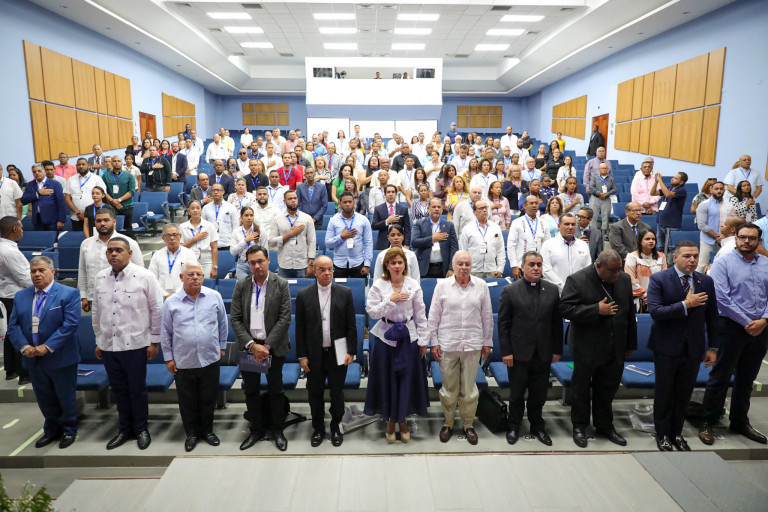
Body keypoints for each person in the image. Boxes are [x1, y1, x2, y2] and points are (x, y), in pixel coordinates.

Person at [559, 249, 637, 448]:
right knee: (581, 388)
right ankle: (579, 426)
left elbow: (629, 313)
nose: (617, 274)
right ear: (599, 266)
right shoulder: (577, 279)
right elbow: (565, 308)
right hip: (587, 345)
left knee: (607, 388)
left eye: (619, 269)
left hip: (615, 345)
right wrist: (596, 309)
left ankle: (604, 426)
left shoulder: (624, 279)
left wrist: (630, 343)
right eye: (612, 270)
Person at [700, 223, 768, 446]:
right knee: (720, 376)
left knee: (747, 378)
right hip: (731, 327)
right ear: (735, 238)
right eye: (743, 237)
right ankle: (708, 421)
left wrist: (764, 320)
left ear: (759, 241)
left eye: (752, 238)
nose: (747, 241)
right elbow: (722, 299)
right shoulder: (723, 263)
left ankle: (739, 421)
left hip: (761, 328)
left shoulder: (766, 263)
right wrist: (748, 322)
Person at [646, 241, 718, 451]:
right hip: (666, 347)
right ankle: (662, 434)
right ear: (675, 257)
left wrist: (713, 348)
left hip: (694, 348)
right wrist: (686, 304)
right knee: (665, 393)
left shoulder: (705, 281)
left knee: (684, 394)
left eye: (695, 256)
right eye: (687, 256)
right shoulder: (659, 279)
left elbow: (712, 317)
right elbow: (656, 312)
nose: (692, 260)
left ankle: (677, 434)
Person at [93, 238, 163, 451]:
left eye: (118, 250)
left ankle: (141, 429)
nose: (113, 254)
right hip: (109, 344)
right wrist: (98, 339)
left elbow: (157, 310)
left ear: (129, 253)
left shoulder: (145, 276)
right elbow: (96, 311)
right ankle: (124, 429)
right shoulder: (100, 277)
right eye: (110, 251)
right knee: (119, 390)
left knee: (137, 389)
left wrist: (154, 341)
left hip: (136, 344)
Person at [8, 256, 81, 449]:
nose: (37, 274)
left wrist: (46, 346)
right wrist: (25, 347)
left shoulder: (68, 294)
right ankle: (51, 429)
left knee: (65, 396)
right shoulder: (21, 296)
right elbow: (13, 326)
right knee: (44, 397)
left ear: (52, 272)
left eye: (41, 270)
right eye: (33, 271)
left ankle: (69, 430)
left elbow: (70, 325)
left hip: (60, 356)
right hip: (33, 357)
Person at [364, 248, 430, 443]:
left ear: (405, 265)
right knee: (387, 381)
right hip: (385, 338)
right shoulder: (379, 285)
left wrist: (423, 340)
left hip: (409, 338)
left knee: (405, 381)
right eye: (393, 263)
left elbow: (420, 314)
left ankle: (403, 421)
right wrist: (390, 300)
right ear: (386, 265)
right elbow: (372, 312)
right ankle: (390, 422)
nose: (397, 266)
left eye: (400, 262)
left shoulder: (413, 285)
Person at [230, 246, 292, 452]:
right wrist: (252, 345)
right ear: (248, 264)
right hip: (249, 347)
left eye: (260, 261)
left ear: (268, 260)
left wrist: (265, 346)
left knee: (276, 390)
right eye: (252, 263)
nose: (256, 266)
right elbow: (235, 319)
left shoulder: (281, 284)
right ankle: (255, 430)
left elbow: (284, 318)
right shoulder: (241, 285)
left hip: (273, 347)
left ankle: (278, 430)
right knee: (251, 391)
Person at [161, 261, 227, 452]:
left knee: (208, 397)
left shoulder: (214, 296)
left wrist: (222, 346)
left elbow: (223, 323)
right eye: (190, 275)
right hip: (184, 360)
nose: (195, 278)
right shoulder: (171, 302)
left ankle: (207, 431)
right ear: (181, 277)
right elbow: (165, 332)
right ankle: (191, 433)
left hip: (210, 357)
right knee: (187, 400)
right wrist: (168, 358)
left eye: (198, 274)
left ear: (203, 277)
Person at [498, 251, 563, 446]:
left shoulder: (552, 290)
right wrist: (506, 351)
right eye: (531, 264)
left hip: (543, 352)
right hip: (518, 353)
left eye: (539, 265)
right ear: (523, 267)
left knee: (539, 394)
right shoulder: (510, 290)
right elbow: (503, 324)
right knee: (517, 394)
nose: (536, 268)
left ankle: (537, 425)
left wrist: (557, 350)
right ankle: (514, 425)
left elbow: (556, 323)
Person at [429, 251, 492, 445]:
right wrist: (434, 341)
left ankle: (468, 424)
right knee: (449, 388)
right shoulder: (442, 286)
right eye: (460, 264)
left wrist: (487, 341)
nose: (464, 267)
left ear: (471, 266)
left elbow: (487, 316)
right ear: (453, 265)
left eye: (467, 264)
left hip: (472, 344)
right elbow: (433, 316)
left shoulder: (481, 286)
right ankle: (448, 423)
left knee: (469, 389)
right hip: (448, 344)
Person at [295, 255, 357, 448]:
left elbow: (351, 326)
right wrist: (302, 355)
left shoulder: (345, 293)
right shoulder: (304, 294)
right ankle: (318, 428)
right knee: (315, 393)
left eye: (330, 269)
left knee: (337, 393)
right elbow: (299, 329)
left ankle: (336, 426)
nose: (327, 273)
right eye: (322, 269)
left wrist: (351, 351)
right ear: (314, 271)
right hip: (314, 353)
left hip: (338, 352)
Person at [77, 209, 143, 312]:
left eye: (106, 220)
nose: (102, 223)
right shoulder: (86, 244)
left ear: (114, 222)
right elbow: (82, 271)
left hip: (124, 299)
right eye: (99, 221)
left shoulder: (130, 243)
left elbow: (140, 272)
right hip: (94, 298)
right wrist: (83, 296)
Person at [0, 217, 32, 385]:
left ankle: (10, 369)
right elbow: (25, 278)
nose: (23, 231)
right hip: (16, 296)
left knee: (11, 332)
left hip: (6, 295)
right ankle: (24, 372)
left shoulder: (5, 247)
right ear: (14, 229)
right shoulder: (9, 251)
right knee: (20, 332)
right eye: (21, 228)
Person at [268, 190, 316, 278]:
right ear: (284, 201)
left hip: (302, 263)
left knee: (302, 287)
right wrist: (290, 234)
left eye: (295, 198)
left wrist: (311, 263)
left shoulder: (307, 218)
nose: (293, 200)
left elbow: (312, 242)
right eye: (290, 199)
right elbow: (271, 242)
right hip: (284, 263)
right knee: (283, 287)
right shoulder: (277, 219)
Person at [326, 192, 373, 278]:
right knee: (338, 287)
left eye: (350, 202)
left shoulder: (363, 220)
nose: (347, 204)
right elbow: (328, 244)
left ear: (354, 202)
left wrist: (367, 264)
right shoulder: (333, 220)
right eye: (345, 202)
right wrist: (341, 237)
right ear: (340, 204)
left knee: (358, 286)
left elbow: (368, 243)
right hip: (339, 263)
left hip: (358, 262)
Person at [541, 213, 592, 293]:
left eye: (573, 224)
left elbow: (588, 269)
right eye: (567, 224)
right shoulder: (548, 245)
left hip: (579, 292)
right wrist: (564, 287)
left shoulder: (583, 245)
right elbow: (546, 270)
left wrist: (578, 287)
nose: (570, 227)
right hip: (556, 293)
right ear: (559, 226)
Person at [411, 199, 458, 279]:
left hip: (444, 268)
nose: (436, 209)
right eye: (434, 207)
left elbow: (454, 248)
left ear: (442, 209)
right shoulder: (420, 224)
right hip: (424, 267)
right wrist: (432, 238)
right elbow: (414, 242)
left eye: (439, 207)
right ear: (428, 209)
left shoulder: (449, 225)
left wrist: (451, 268)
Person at [148, 224, 198, 299]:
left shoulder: (189, 254)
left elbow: (193, 277)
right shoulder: (157, 255)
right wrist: (164, 294)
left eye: (175, 235)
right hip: (162, 297)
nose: (172, 238)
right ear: (163, 238)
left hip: (184, 296)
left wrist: (177, 294)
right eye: (168, 235)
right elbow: (152, 278)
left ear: (180, 236)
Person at [508, 195, 551, 279]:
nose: (534, 205)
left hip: (538, 266)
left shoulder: (544, 223)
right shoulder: (517, 223)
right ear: (525, 206)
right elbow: (511, 245)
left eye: (536, 203)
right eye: (531, 203)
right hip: (521, 265)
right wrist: (514, 266)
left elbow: (547, 246)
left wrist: (545, 265)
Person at [459, 200, 505, 278]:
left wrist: (500, 268)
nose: (484, 210)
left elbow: (500, 250)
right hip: (473, 270)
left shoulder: (495, 227)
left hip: (492, 270)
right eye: (481, 208)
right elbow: (463, 251)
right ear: (474, 212)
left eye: (485, 208)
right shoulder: (468, 228)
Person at [624, 229, 667, 312]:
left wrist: (653, 296)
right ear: (640, 241)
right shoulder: (632, 257)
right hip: (638, 299)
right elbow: (630, 279)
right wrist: (644, 295)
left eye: (653, 239)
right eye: (647, 239)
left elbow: (664, 279)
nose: (651, 241)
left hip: (657, 298)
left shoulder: (661, 256)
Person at [695, 181, 730, 271]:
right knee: (702, 265)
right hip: (708, 240)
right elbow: (701, 225)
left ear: (724, 190)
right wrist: (716, 236)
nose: (719, 191)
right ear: (711, 190)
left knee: (723, 266)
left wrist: (723, 236)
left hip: (725, 240)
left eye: (721, 189)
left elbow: (731, 223)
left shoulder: (729, 205)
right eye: (716, 189)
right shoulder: (704, 205)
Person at [651, 171, 688, 255]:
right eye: (673, 177)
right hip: (661, 223)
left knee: (672, 248)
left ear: (681, 182)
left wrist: (660, 181)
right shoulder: (669, 188)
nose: (672, 179)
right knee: (659, 247)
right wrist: (656, 182)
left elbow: (668, 195)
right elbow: (652, 193)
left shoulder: (682, 190)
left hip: (672, 225)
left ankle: (670, 263)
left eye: (675, 178)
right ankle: (660, 262)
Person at [180, 201, 219, 279]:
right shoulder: (182, 227)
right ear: (189, 211)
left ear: (201, 210)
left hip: (206, 260)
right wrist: (194, 239)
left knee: (206, 283)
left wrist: (214, 267)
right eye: (192, 208)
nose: (195, 210)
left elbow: (214, 248)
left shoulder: (209, 226)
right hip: (188, 259)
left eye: (198, 208)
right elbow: (181, 247)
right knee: (191, 283)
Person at [21, 164, 66, 231]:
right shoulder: (30, 185)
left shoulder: (55, 184)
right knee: (40, 237)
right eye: (34, 172)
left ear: (44, 172)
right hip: (37, 220)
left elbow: (61, 203)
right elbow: (24, 200)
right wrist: (38, 193)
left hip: (52, 220)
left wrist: (61, 220)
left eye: (39, 171)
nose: (37, 173)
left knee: (53, 237)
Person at [101, 158, 137, 237]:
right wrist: (113, 201)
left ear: (122, 163)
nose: (117, 163)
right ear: (111, 163)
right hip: (111, 207)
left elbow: (131, 192)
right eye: (114, 161)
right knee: (112, 229)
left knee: (128, 229)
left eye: (118, 161)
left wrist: (119, 200)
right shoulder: (105, 176)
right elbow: (104, 191)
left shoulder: (129, 176)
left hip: (126, 206)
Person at [371, 184, 411, 250]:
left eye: (393, 192)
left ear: (396, 194)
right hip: (383, 244)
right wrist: (387, 221)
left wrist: (406, 244)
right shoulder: (378, 209)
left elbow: (407, 229)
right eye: (388, 192)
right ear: (384, 194)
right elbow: (374, 226)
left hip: (400, 243)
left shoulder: (403, 209)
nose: (391, 194)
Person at [201, 184, 239, 251]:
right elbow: (202, 226)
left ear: (223, 192)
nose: (216, 192)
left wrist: (234, 241)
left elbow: (235, 225)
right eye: (214, 190)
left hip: (227, 243)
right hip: (210, 243)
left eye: (218, 190)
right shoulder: (206, 208)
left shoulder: (231, 207)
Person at [588, 162, 616, 236]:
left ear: (607, 169)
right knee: (593, 216)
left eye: (605, 168)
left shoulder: (611, 178)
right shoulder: (594, 177)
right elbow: (591, 187)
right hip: (595, 198)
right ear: (599, 169)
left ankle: (604, 234)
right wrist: (599, 193)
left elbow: (614, 189)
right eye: (602, 168)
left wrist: (607, 194)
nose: (604, 169)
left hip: (606, 199)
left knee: (605, 217)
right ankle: (592, 233)